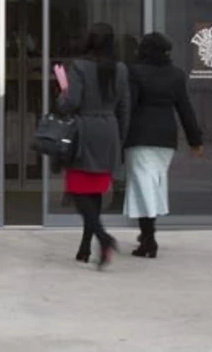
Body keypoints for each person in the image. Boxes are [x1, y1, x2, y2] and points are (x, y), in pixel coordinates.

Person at [56, 22, 130, 269]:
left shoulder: (79, 66)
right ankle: (85, 246)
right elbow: (124, 107)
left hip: (84, 130)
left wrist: (62, 93)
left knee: (78, 189)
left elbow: (70, 103)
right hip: (109, 130)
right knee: (95, 190)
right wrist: (120, 138)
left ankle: (102, 237)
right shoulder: (121, 69)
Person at [123, 32, 204, 258]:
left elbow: (129, 106)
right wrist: (195, 140)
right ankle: (146, 235)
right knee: (153, 184)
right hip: (166, 138)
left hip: (139, 135)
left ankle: (148, 238)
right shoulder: (176, 75)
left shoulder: (134, 72)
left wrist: (118, 133)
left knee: (143, 185)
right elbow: (185, 109)